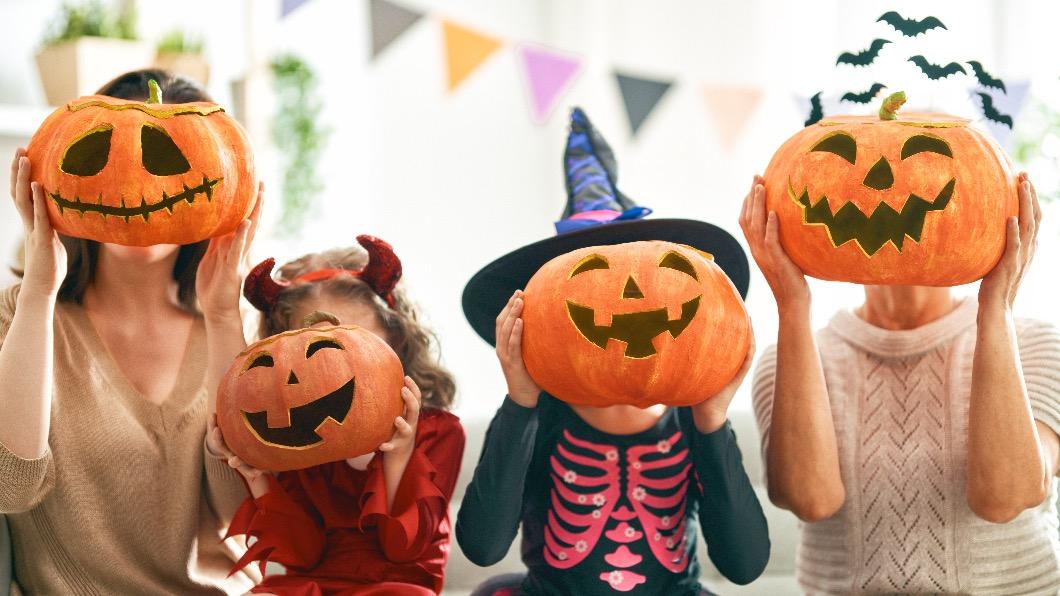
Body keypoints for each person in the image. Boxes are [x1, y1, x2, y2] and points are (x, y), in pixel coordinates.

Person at [456, 108, 770, 595]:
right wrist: (520, 401)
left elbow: (745, 564)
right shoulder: (543, 416)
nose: (626, 299)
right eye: (593, 276)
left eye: (656, 275)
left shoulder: (692, 419)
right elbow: (483, 544)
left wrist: (711, 420)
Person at [0, 69, 261, 593]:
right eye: (104, 156)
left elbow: (246, 519)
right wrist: (41, 290)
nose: (138, 185)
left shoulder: (235, 328)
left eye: (166, 160)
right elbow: (12, 486)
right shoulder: (20, 315)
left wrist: (224, 318)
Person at [743, 172, 1060, 594]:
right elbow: (810, 500)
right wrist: (791, 304)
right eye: (859, 177)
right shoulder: (788, 356)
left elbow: (1004, 497)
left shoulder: (1035, 343)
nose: (882, 185)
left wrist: (996, 309)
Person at [210, 236, 465, 595]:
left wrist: (398, 457)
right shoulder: (299, 441)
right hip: (312, 584)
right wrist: (259, 477)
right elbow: (303, 555)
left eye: (353, 340)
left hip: (396, 586)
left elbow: (404, 549)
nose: (342, 365)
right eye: (316, 352)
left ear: (395, 337)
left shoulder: (439, 431)